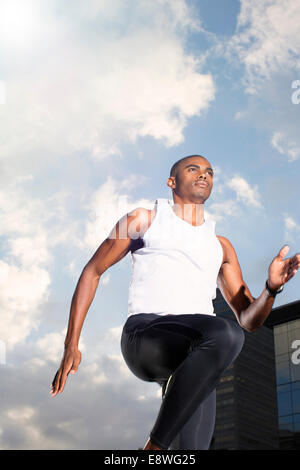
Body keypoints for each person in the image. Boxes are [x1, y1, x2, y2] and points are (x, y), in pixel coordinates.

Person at [50, 154, 300, 450]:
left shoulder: (222, 246)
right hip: (145, 336)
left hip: (198, 351)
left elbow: (249, 319)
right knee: (224, 332)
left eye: (209, 172)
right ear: (172, 182)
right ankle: (153, 448)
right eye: (193, 169)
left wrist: (271, 289)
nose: (204, 175)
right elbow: (93, 270)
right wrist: (71, 343)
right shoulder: (142, 219)